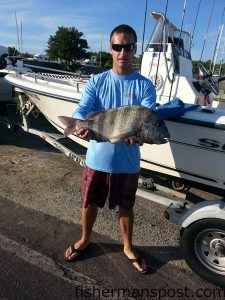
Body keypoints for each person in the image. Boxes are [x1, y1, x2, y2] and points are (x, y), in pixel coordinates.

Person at [65, 24, 156, 274]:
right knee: (89, 202)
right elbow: (83, 108)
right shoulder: (97, 80)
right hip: (97, 159)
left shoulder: (145, 86)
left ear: (135, 49)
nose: (122, 52)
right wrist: (78, 123)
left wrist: (141, 137)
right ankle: (85, 239)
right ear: (110, 49)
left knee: (126, 206)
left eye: (128, 47)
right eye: (117, 46)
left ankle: (127, 246)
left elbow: (146, 121)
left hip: (127, 163)